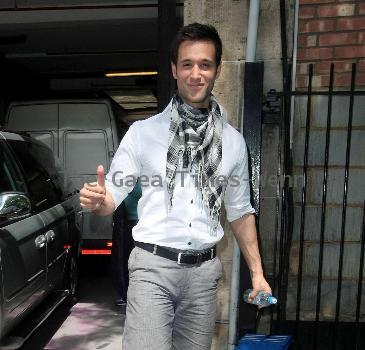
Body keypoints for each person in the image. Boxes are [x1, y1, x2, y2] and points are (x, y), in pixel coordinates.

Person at [80, 22, 271, 350]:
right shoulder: (143, 133)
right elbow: (113, 194)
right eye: (187, 64)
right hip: (153, 267)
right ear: (174, 69)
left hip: (204, 275)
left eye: (205, 64)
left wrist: (257, 273)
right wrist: (99, 200)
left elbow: (240, 212)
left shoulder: (233, 142)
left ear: (216, 70)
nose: (196, 74)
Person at [111, 180, 142, 307]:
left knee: (135, 259)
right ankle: (125, 293)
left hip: (137, 221)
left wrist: (125, 186)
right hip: (124, 221)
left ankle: (133, 294)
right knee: (122, 258)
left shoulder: (141, 176)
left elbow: (141, 192)